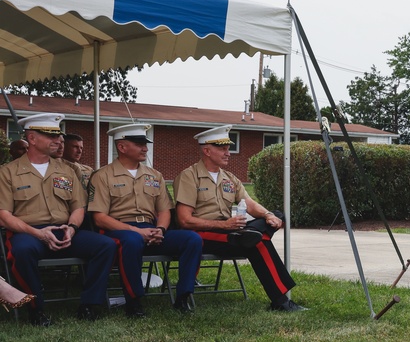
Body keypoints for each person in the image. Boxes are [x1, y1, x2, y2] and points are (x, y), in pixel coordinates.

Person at [0, 113, 116, 325]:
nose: (57, 141)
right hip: (29, 232)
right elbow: (4, 215)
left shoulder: (66, 170)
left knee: (105, 245)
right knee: (22, 251)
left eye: (58, 135)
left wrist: (72, 228)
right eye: (49, 135)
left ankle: (89, 305)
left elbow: (78, 206)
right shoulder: (8, 172)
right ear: (32, 138)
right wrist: (37, 233)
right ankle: (36, 310)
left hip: (64, 230)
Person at [174, 125, 305, 312]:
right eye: (222, 148)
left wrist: (268, 216)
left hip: (230, 230)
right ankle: (281, 301)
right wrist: (224, 225)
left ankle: (249, 236)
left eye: (228, 148)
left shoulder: (229, 177)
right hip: (202, 234)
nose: (228, 153)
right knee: (258, 243)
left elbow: (249, 204)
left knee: (276, 214)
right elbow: (184, 220)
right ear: (207, 150)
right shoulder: (189, 176)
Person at [88, 123, 204, 316]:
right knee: (132, 242)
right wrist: (137, 232)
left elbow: (165, 210)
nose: (145, 148)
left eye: (145, 143)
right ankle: (134, 301)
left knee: (192, 239)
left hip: (152, 230)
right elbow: (99, 218)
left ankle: (183, 296)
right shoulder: (102, 176)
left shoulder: (154, 175)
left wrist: (161, 230)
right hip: (119, 230)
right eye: (139, 143)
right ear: (122, 147)